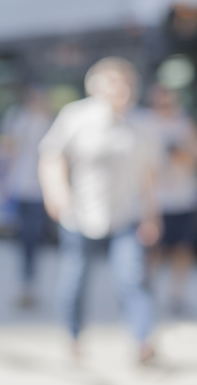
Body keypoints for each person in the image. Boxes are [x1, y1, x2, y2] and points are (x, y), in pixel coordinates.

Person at [38, 57, 160, 364]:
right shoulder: (75, 116)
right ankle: (74, 337)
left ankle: (143, 340)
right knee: (74, 279)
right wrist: (57, 195)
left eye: (126, 84)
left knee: (132, 278)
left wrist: (151, 215)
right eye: (113, 84)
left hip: (125, 216)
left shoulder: (143, 123)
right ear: (97, 87)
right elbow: (51, 157)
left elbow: (148, 174)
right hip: (80, 215)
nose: (121, 91)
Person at [145, 83, 197, 314]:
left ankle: (177, 295)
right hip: (154, 199)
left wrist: (187, 154)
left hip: (184, 198)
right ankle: (147, 292)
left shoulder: (186, 123)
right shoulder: (144, 123)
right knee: (153, 249)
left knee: (183, 249)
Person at [0, 84, 53, 308]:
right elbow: (8, 151)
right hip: (21, 186)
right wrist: (1, 183)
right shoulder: (18, 119)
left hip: (43, 188)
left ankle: (30, 283)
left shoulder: (50, 122)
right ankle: (26, 283)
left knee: (35, 236)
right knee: (25, 236)